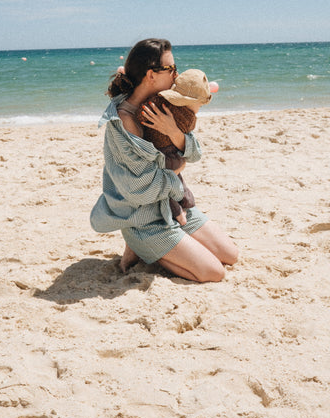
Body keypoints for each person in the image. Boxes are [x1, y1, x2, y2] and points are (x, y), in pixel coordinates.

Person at [90, 38, 238, 283]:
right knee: (213, 273)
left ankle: (167, 246)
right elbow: (140, 190)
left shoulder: (164, 102)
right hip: (146, 219)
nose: (177, 74)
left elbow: (194, 153)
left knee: (230, 255)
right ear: (151, 74)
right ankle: (139, 244)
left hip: (175, 206)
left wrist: (174, 133)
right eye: (171, 69)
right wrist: (177, 169)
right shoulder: (123, 122)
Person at [137, 68, 212, 226]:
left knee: (174, 183)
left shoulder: (157, 103)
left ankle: (184, 206)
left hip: (161, 159)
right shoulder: (186, 117)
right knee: (173, 185)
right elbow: (195, 155)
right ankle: (180, 210)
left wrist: (173, 132)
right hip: (163, 165)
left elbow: (195, 155)